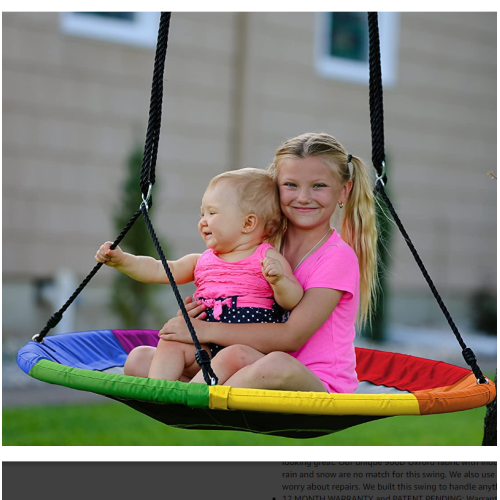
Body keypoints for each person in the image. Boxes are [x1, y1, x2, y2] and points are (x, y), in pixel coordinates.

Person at [160, 132, 378, 393]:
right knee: (141, 359)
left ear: (344, 191)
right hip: (249, 365)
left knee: (277, 365)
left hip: (312, 380)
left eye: (318, 185)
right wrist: (203, 313)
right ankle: (198, 393)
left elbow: (291, 337)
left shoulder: (337, 257)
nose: (304, 197)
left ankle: (197, 399)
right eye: (291, 185)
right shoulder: (263, 246)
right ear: (275, 190)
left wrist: (205, 329)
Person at [95, 168, 303, 381]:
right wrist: (123, 261)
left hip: (244, 356)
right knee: (142, 356)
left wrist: (279, 281)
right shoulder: (201, 260)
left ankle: (194, 398)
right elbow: (160, 269)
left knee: (232, 355)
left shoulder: (267, 258)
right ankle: (161, 391)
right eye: (202, 213)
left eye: (212, 213)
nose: (203, 221)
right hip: (203, 352)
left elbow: (292, 299)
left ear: (248, 223)